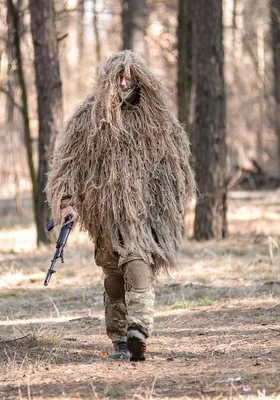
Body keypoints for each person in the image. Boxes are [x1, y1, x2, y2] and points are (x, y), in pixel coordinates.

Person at [46, 50, 196, 361]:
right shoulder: (88, 117)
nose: (125, 81)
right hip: (104, 214)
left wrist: (170, 203)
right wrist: (66, 201)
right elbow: (68, 164)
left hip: (144, 212)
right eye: (119, 76)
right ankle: (118, 339)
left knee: (137, 262)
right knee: (114, 278)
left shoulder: (158, 118)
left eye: (130, 75)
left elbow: (178, 162)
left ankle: (138, 329)